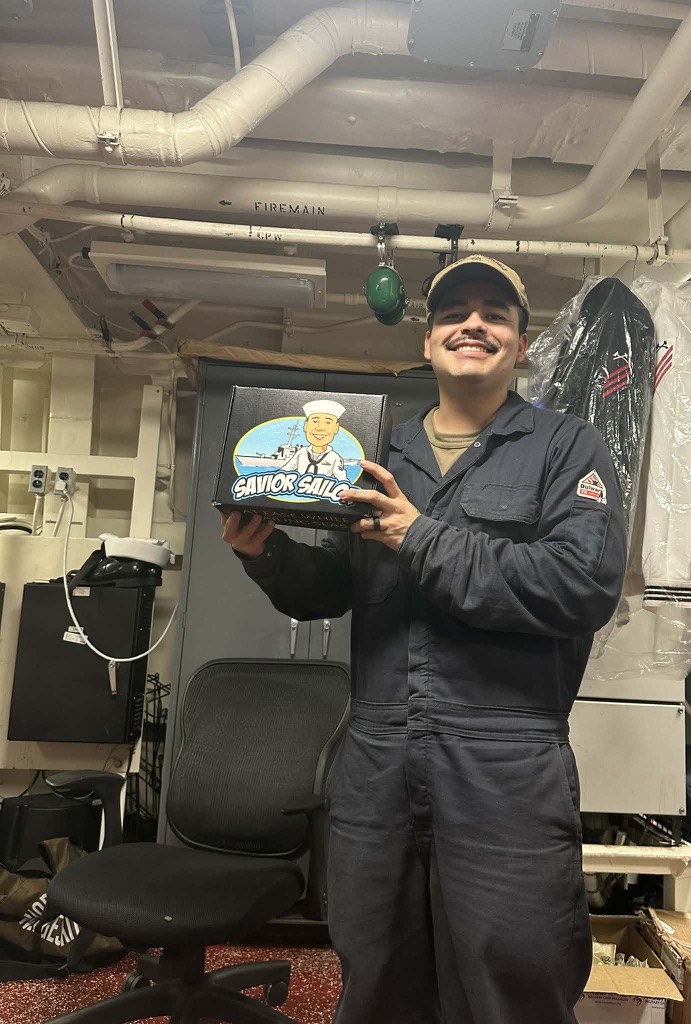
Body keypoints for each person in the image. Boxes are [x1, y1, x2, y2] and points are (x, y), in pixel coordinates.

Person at [221, 254, 627, 1024]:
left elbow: (581, 586)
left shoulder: (566, 448)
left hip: (503, 761)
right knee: (377, 973)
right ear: (431, 334)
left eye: (493, 312)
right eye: (453, 311)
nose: (472, 323)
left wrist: (422, 538)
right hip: (377, 758)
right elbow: (339, 588)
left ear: (520, 339)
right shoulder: (378, 448)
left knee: (514, 980)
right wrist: (266, 553)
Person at [280, 399, 349, 481]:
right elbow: (284, 471)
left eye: (328, 423)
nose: (320, 428)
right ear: (305, 426)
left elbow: (343, 480)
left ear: (336, 428)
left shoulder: (335, 458)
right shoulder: (301, 453)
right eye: (315, 421)